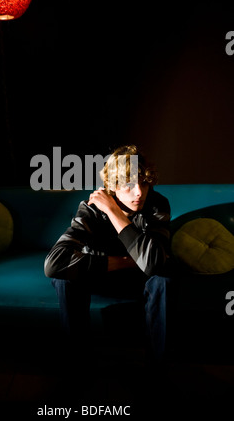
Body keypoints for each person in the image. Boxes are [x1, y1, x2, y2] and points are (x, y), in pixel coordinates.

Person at [44, 144, 174, 365]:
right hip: (100, 273)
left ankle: (157, 368)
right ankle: (77, 363)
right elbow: (53, 264)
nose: (139, 192)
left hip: (139, 278)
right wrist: (129, 261)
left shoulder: (156, 204)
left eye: (143, 183)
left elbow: (152, 262)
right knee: (63, 279)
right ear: (112, 187)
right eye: (129, 185)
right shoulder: (91, 208)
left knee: (164, 276)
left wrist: (114, 212)